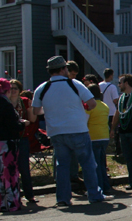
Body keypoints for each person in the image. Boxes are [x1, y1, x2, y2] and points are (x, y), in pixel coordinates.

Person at [32, 56, 107, 206]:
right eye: (66, 68)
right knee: (88, 164)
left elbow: (36, 111)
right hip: (77, 128)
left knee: (62, 166)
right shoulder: (74, 84)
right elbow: (92, 103)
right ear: (62, 69)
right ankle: (94, 194)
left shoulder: (42, 88)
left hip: (56, 131)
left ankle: (63, 198)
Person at [0, 78, 29, 212]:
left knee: (0, 173)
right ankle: (12, 202)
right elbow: (12, 125)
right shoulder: (6, 105)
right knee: (11, 172)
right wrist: (22, 124)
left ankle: (1, 203)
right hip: (7, 142)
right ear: (7, 91)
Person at [8, 80, 38, 204]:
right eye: (11, 88)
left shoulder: (25, 101)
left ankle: (29, 195)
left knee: (24, 167)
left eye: (15, 88)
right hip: (8, 138)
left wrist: (31, 109)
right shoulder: (5, 102)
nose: (13, 90)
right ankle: (13, 195)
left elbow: (32, 119)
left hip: (22, 137)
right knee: (10, 168)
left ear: (20, 90)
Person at [86, 84, 112, 194]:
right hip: (104, 136)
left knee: (95, 165)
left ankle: (99, 187)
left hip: (93, 136)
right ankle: (105, 186)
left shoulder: (90, 107)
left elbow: (85, 121)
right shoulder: (105, 106)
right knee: (102, 163)